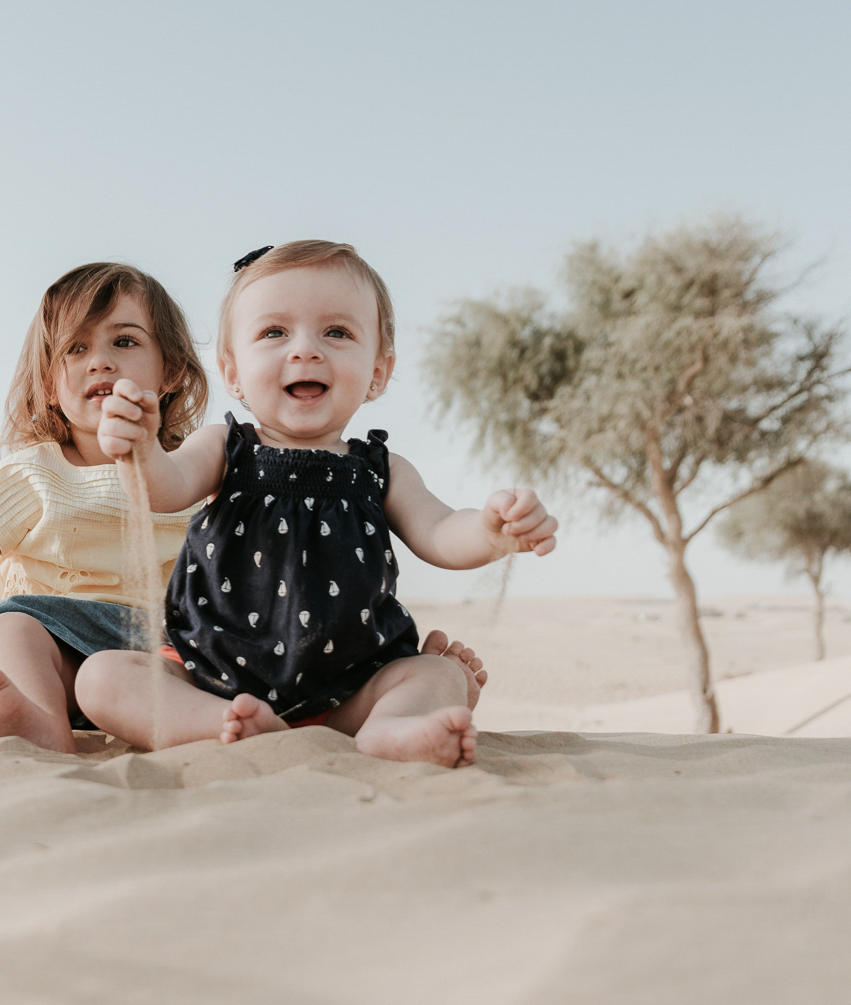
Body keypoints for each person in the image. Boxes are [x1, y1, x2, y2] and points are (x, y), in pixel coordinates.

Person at [75, 240, 553, 768]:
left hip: (349, 691)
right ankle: (221, 724)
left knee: (440, 675)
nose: (305, 350)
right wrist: (140, 451)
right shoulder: (226, 448)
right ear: (232, 372)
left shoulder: (381, 469)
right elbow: (164, 486)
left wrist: (491, 532)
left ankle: (390, 727)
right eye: (274, 332)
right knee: (102, 677)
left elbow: (439, 532)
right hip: (209, 674)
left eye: (337, 332)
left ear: (378, 371)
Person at [0, 262, 211, 751]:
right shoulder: (33, 475)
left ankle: (190, 722)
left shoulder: (195, 470)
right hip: (55, 652)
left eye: (124, 341)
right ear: (50, 386)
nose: (99, 361)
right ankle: (35, 716)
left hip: (158, 653)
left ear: (173, 370)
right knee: (8, 627)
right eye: (76, 348)